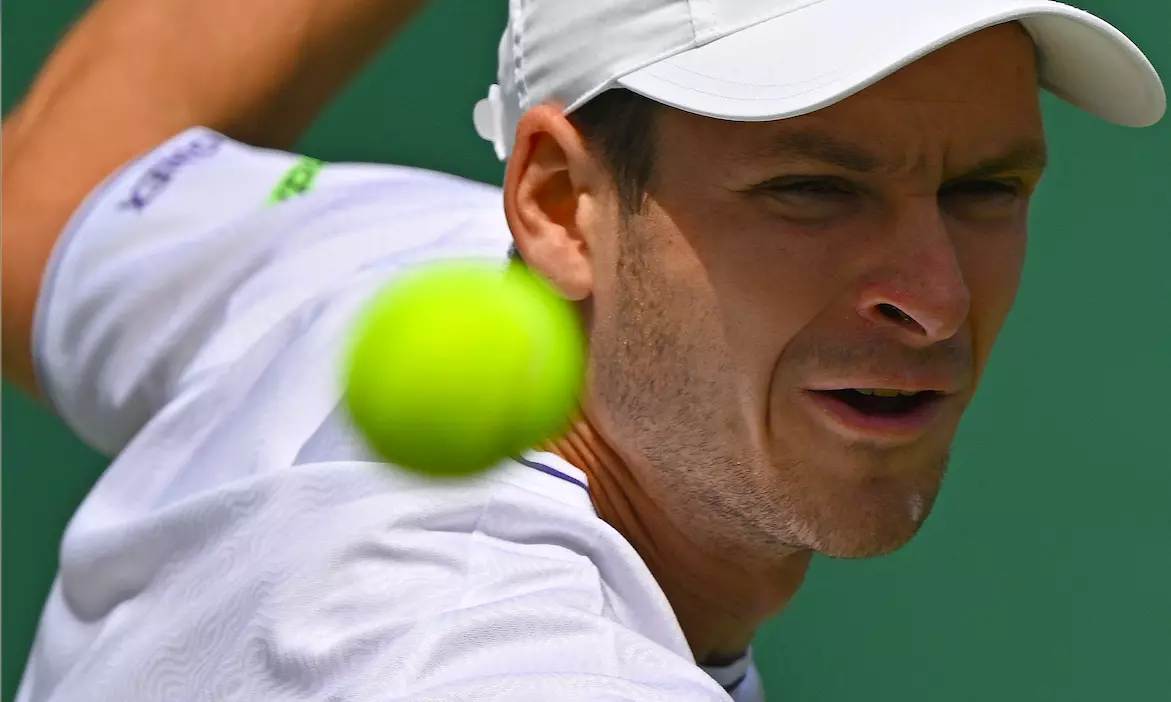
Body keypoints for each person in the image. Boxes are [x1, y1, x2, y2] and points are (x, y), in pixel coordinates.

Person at [1, 0, 1164, 699]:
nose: (936, 301)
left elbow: (39, 216)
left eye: (983, 189)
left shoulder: (393, 261)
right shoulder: (511, 667)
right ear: (559, 203)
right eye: (813, 190)